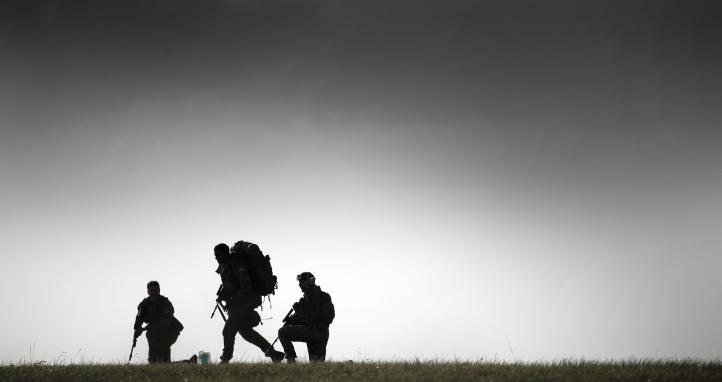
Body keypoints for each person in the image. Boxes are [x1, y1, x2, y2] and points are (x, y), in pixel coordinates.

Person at [214, 242, 285, 363]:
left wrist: (233, 300)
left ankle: (226, 358)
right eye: (215, 256)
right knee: (245, 332)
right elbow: (230, 285)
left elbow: (246, 287)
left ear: (226, 253)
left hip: (246, 300)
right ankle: (274, 354)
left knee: (228, 330)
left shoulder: (236, 264)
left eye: (219, 255)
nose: (217, 258)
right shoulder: (225, 266)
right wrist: (223, 295)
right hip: (240, 302)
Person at [278, 272, 335, 362]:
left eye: (302, 282)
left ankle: (291, 360)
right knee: (317, 366)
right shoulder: (320, 296)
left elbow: (310, 317)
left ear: (310, 282)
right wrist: (292, 320)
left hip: (314, 332)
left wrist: (298, 310)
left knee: (282, 332)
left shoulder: (315, 298)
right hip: (322, 334)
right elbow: (303, 319)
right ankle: (347, 364)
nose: (299, 285)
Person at [133, 281, 184, 363]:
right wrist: (137, 329)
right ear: (148, 291)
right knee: (152, 338)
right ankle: (153, 362)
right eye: (151, 290)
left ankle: (163, 362)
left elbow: (163, 322)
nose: (153, 292)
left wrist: (143, 329)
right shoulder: (144, 304)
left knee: (163, 345)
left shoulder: (165, 303)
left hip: (171, 330)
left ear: (159, 290)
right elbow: (139, 317)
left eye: (155, 290)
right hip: (155, 330)